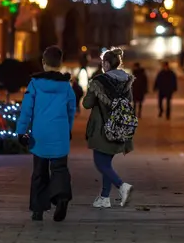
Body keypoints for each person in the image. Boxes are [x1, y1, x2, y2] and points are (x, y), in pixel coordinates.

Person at [16, 46, 76, 222]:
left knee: (39, 171)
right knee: (60, 168)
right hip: (60, 133)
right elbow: (71, 109)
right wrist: (68, 128)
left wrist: (21, 131)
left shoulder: (35, 84)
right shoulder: (66, 86)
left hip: (40, 134)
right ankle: (62, 197)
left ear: (43, 62)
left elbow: (26, 109)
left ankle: (38, 209)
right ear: (60, 63)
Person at [83, 47, 135, 208]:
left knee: (100, 163)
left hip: (102, 128)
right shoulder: (126, 80)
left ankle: (122, 186)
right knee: (106, 163)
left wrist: (94, 94)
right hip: (119, 127)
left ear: (106, 64)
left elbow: (87, 104)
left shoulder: (99, 81)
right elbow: (129, 100)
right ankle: (104, 198)